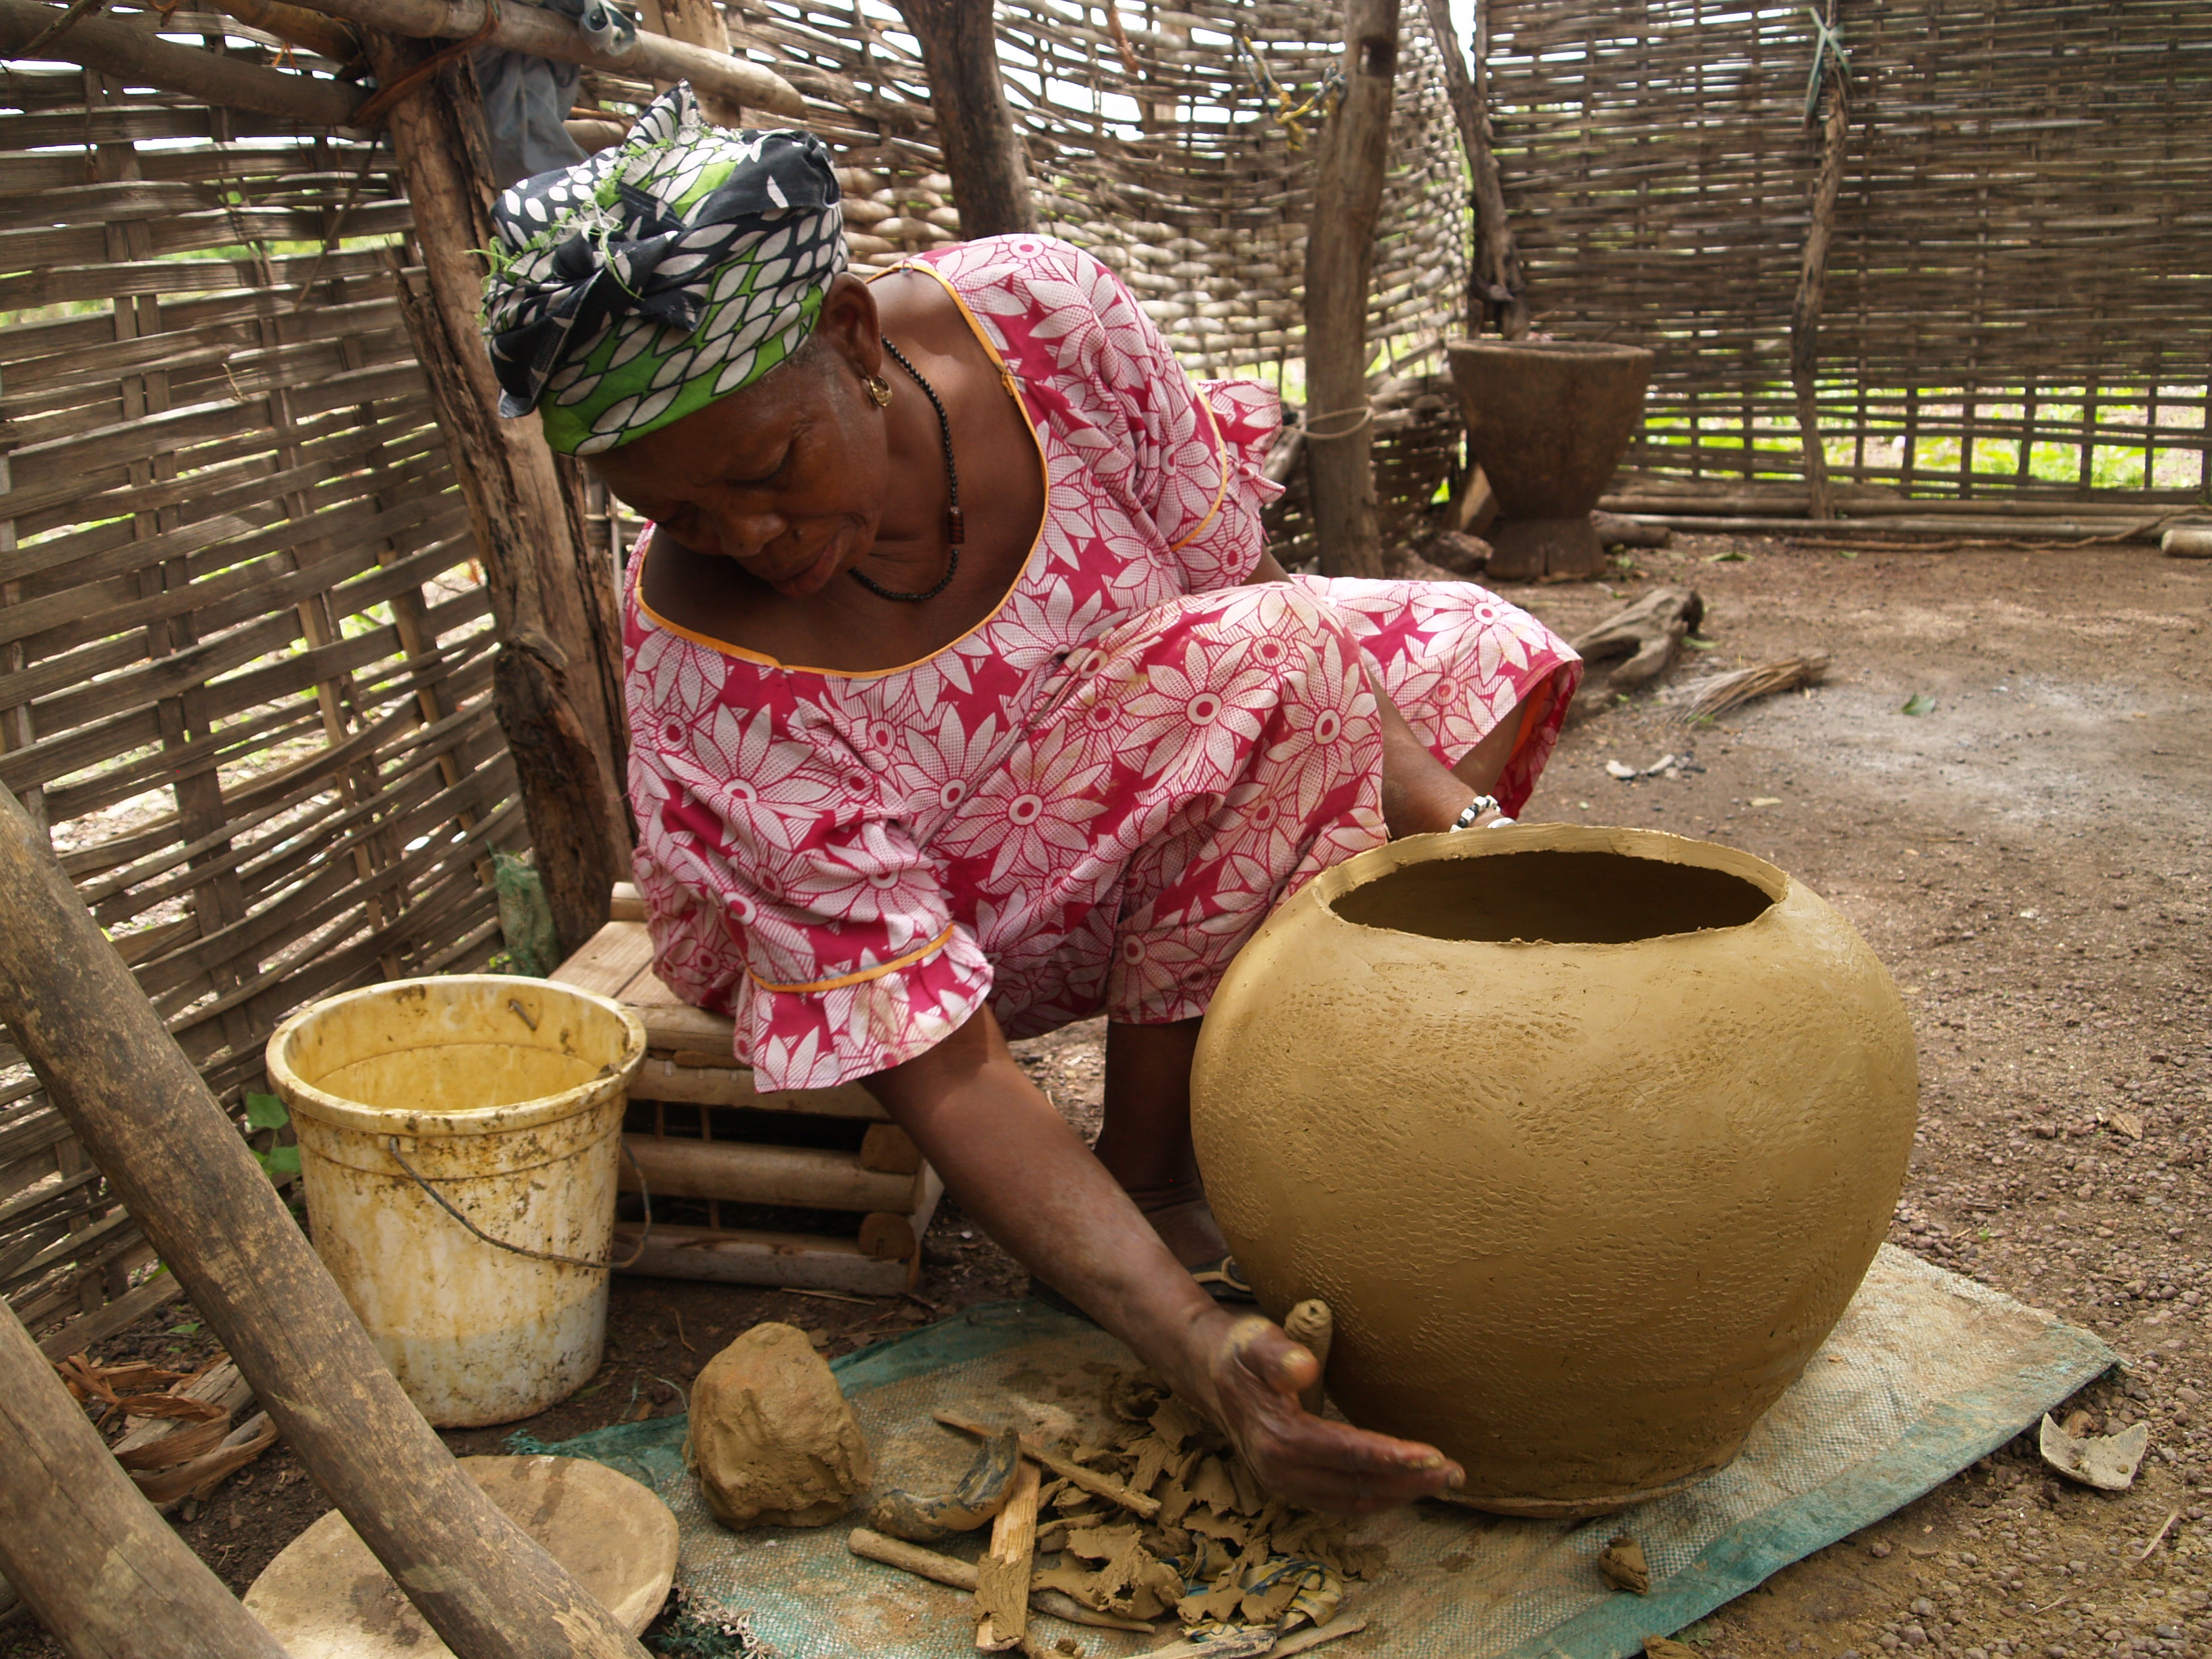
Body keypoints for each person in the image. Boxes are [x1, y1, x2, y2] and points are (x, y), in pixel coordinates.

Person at [485, 87, 1581, 1515]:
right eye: (678, 513)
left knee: (1465, 655)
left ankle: (1303, 1072)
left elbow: (1234, 596)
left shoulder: (1047, 322)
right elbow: (940, 1056)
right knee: (1280, 671)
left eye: (767, 471)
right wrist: (1191, 1346)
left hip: (1123, 746)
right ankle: (1153, 1183)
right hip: (893, 931)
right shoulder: (708, 666)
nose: (744, 536)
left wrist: (1485, 861)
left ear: (852, 338)